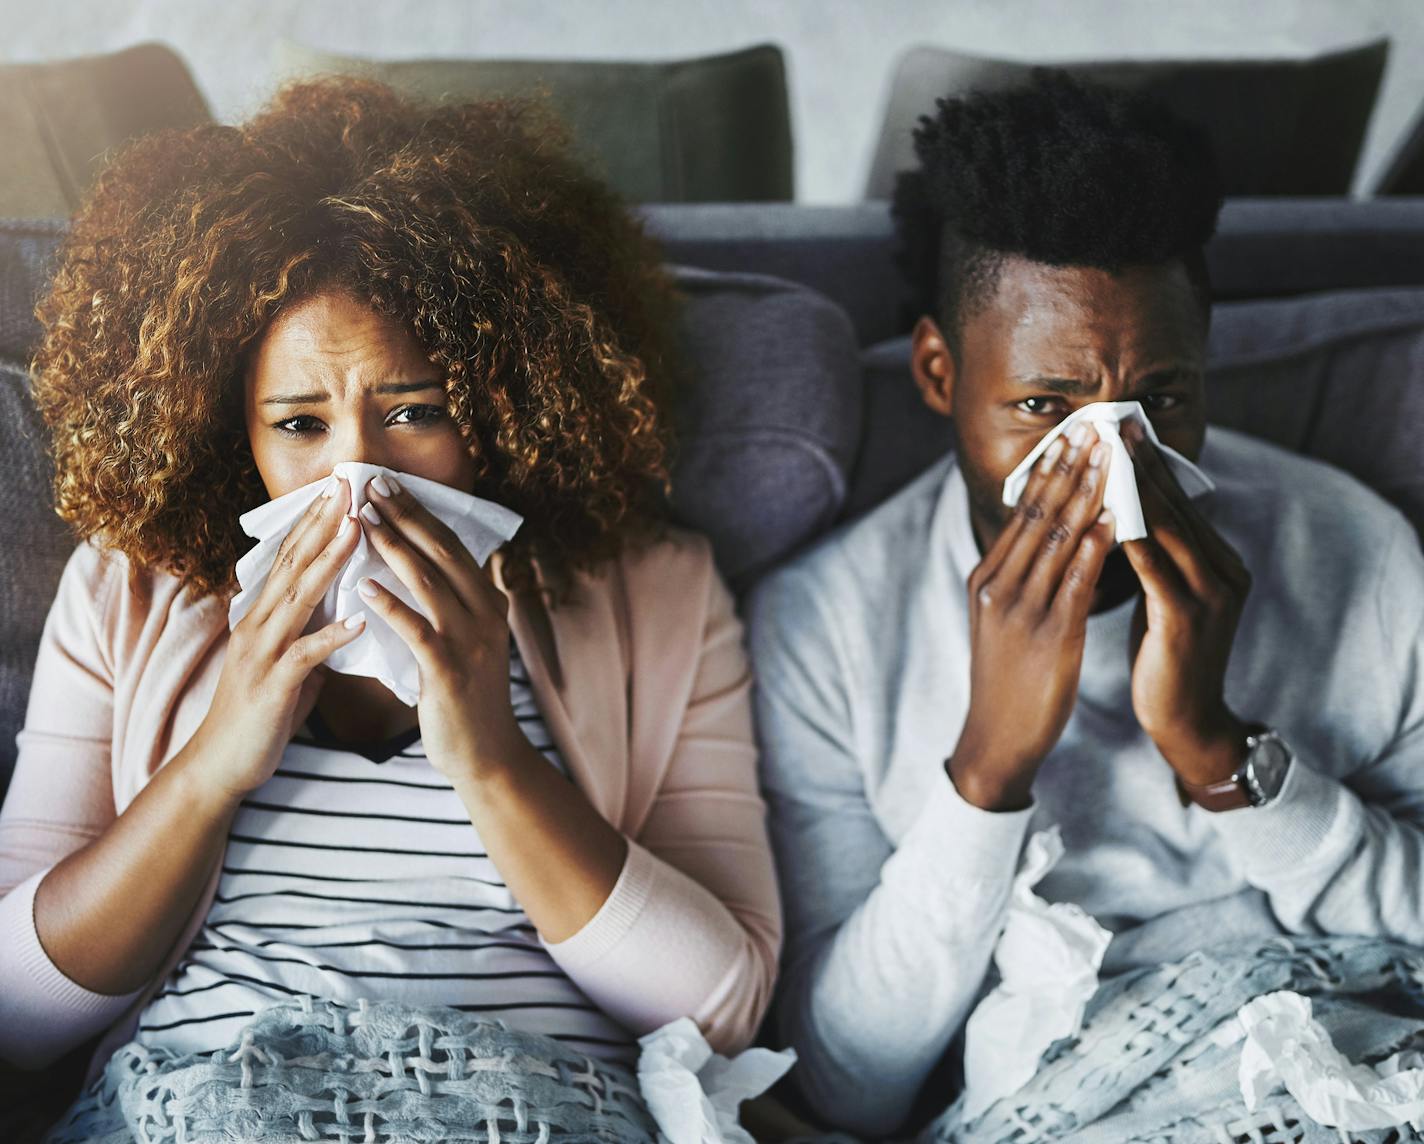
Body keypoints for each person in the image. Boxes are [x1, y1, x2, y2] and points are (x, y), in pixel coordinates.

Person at [0, 77, 779, 1134]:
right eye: (301, 425)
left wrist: (493, 757)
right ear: (236, 433)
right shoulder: (127, 591)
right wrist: (217, 757)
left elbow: (723, 1009)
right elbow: (16, 1017)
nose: (360, 478)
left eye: (413, 410)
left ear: (504, 408)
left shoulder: (655, 595)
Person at [748, 72, 1424, 1139]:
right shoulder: (822, 631)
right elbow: (842, 1085)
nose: (1112, 468)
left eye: (1157, 399)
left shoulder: (1356, 555)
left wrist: (1218, 755)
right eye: (1042, 407)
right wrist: (986, 773)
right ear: (936, 373)